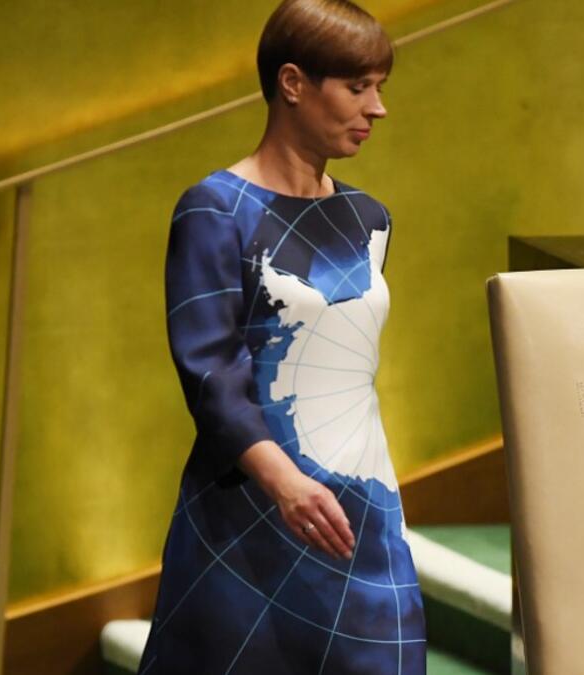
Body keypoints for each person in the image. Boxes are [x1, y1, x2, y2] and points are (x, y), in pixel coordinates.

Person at [138, 1, 425, 672]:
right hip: (253, 509)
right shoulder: (215, 209)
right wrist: (284, 482)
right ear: (293, 83)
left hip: (362, 501)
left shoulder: (369, 217)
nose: (377, 108)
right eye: (358, 87)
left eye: (379, 87)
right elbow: (210, 370)